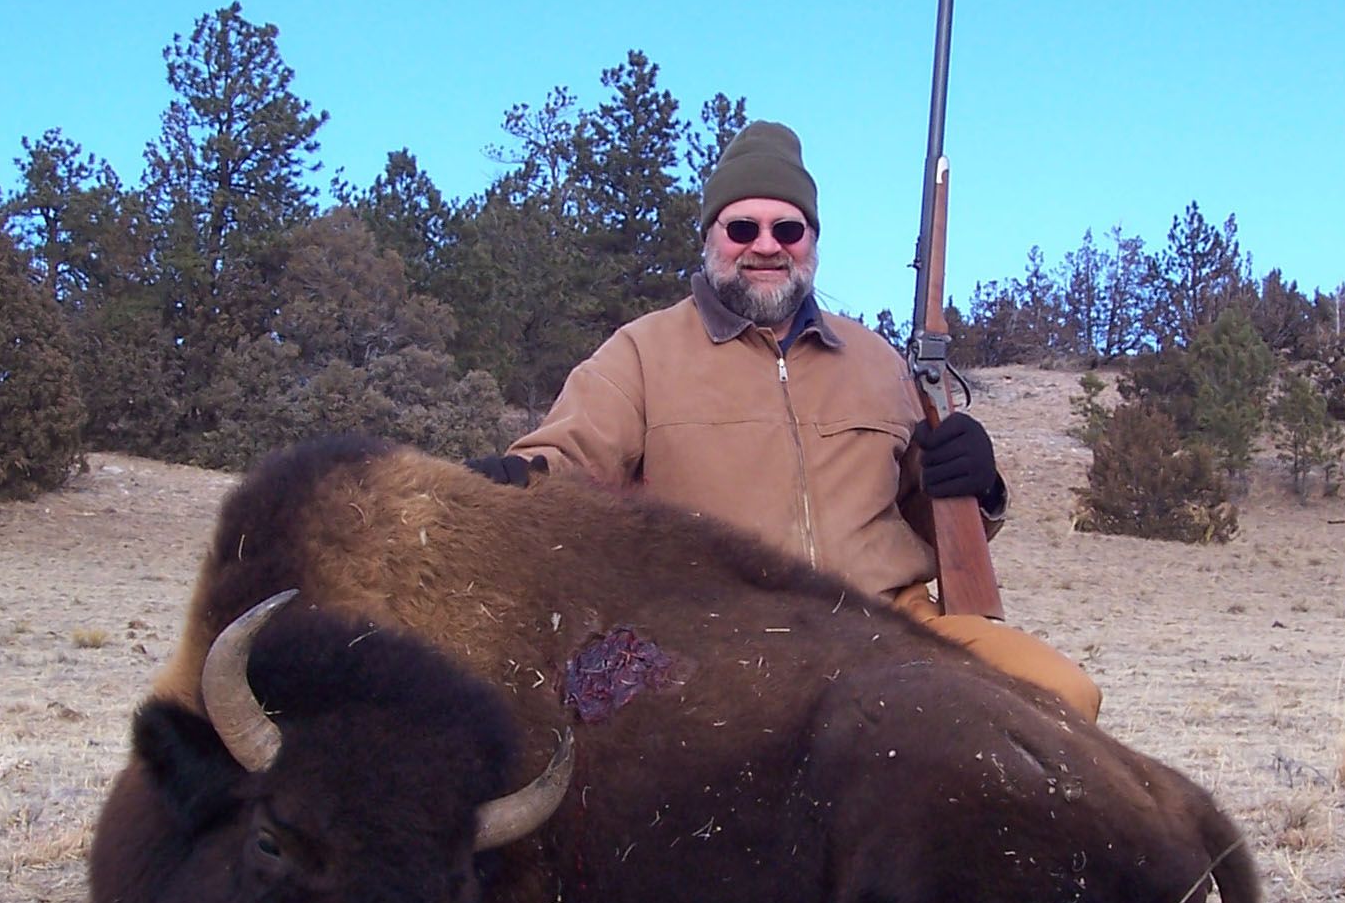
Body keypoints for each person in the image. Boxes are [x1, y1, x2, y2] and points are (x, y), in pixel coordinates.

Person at [470, 121, 1100, 722]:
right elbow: (565, 462)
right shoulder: (640, 352)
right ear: (710, 238)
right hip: (715, 637)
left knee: (1064, 696)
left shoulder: (878, 361)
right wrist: (500, 486)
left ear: (813, 244)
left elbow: (934, 523)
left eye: (788, 229)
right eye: (742, 226)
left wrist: (979, 485)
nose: (766, 245)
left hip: (893, 629)